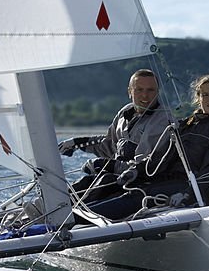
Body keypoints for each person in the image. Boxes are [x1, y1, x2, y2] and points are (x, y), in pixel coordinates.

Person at [85, 73, 209, 220]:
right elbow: (161, 156)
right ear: (198, 98)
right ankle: (70, 214)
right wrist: (137, 171)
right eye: (205, 95)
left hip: (188, 186)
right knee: (109, 181)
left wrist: (188, 195)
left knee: (136, 196)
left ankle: (78, 221)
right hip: (164, 179)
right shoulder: (186, 124)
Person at [59, 68, 172, 198]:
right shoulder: (125, 112)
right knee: (87, 181)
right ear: (130, 92)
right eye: (139, 90)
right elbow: (108, 145)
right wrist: (78, 143)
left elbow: (145, 165)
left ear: (157, 92)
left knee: (105, 180)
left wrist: (109, 165)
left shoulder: (162, 120)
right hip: (119, 176)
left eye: (150, 90)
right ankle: (52, 206)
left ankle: (71, 212)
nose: (145, 95)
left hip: (142, 182)